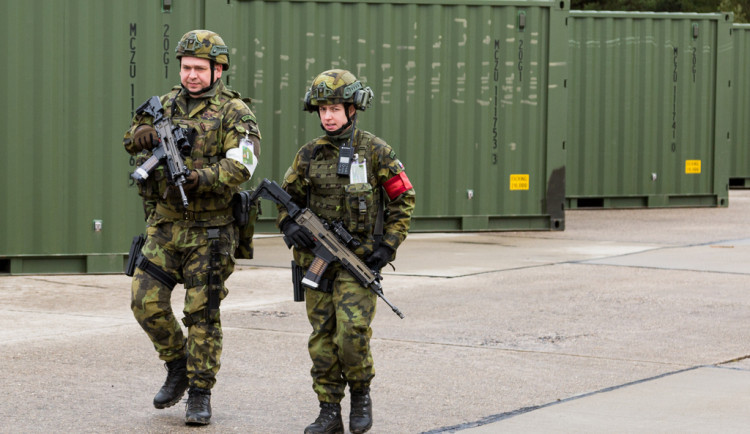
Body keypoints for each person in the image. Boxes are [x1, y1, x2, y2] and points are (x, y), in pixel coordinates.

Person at [123, 29, 261, 425]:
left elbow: (244, 164)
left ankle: (200, 393)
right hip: (165, 225)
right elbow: (129, 140)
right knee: (144, 301)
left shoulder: (236, 112)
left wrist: (203, 178)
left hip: (211, 231)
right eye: (187, 67)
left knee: (202, 315)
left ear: (219, 70)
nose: (193, 75)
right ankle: (177, 366)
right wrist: (141, 135)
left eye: (201, 68)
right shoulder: (164, 104)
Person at [278, 69, 416, 434]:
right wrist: (290, 227)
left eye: (335, 107)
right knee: (322, 337)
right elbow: (285, 199)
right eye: (322, 108)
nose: (328, 115)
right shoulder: (308, 155)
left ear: (353, 108)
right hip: (316, 265)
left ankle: (360, 396)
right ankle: (328, 411)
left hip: (359, 263)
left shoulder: (375, 151)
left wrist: (389, 244)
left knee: (352, 333)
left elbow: (403, 198)